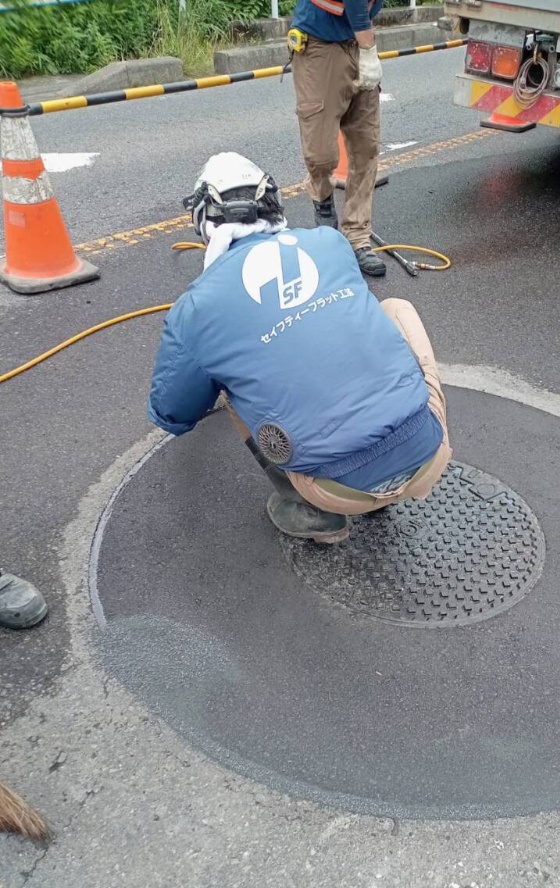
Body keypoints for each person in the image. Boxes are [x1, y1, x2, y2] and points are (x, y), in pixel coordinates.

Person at [148, 152, 451, 544]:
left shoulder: (196, 307)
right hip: (428, 453)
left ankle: (314, 513)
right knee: (395, 309)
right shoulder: (329, 242)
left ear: (203, 222)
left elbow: (173, 412)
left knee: (233, 386)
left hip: (335, 489)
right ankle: (393, 468)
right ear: (274, 204)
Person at [289, 0, 386, 277]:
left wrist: (365, 49)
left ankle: (357, 236)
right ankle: (323, 204)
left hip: (357, 42)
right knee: (320, 154)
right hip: (320, 46)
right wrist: (369, 51)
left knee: (366, 146)